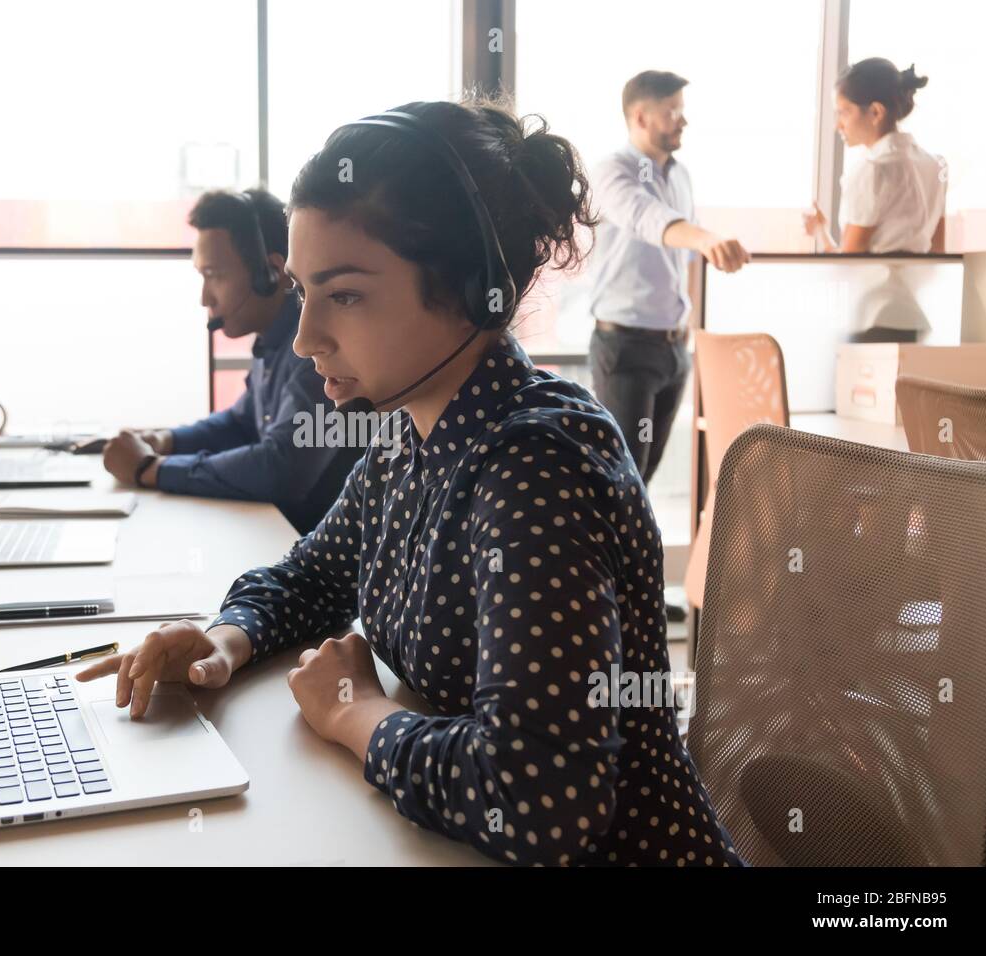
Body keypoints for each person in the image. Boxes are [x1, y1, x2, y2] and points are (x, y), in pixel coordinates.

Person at [77, 98, 744, 867]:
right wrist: (225, 639)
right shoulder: (406, 434)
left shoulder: (539, 466)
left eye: (346, 295)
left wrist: (357, 715)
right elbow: (313, 576)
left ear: (470, 287)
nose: (305, 336)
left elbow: (540, 803)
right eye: (303, 292)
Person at [99, 188, 365, 534]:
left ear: (271, 273)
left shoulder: (315, 353)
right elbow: (240, 422)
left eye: (216, 275)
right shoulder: (272, 345)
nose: (205, 297)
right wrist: (166, 439)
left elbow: (282, 467)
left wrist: (152, 469)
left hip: (316, 563)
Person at [587, 70, 750, 482]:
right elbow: (648, 218)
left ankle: (633, 548)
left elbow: (685, 255)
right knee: (620, 479)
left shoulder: (680, 175)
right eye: (672, 111)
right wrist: (705, 238)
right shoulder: (612, 170)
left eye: (682, 110)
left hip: (674, 348)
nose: (683, 120)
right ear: (640, 117)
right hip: (626, 346)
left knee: (647, 477)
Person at [804, 58, 945, 343]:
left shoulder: (871, 170)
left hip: (872, 317)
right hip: (913, 316)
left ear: (876, 112)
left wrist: (821, 233)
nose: (837, 125)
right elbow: (937, 250)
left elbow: (851, 261)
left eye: (844, 111)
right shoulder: (934, 165)